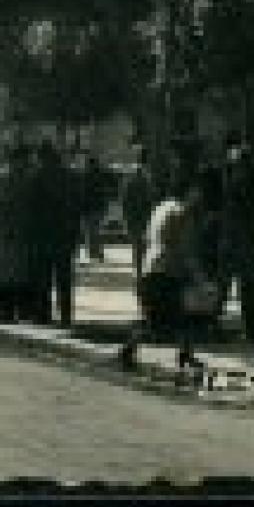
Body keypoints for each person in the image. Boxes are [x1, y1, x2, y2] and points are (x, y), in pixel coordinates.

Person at [118, 169, 209, 372]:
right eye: (197, 190)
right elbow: (183, 249)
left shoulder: (161, 207)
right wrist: (200, 278)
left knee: (177, 316)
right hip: (166, 271)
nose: (200, 195)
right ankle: (129, 349)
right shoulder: (181, 213)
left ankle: (185, 354)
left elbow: (148, 238)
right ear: (190, 191)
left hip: (153, 268)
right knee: (165, 320)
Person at [216, 133, 254, 341]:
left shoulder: (245, 184)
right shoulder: (252, 183)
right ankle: (250, 327)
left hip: (243, 241)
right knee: (241, 287)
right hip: (242, 240)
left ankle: (250, 327)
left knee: (243, 287)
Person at [37, 143, 80, 327]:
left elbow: (33, 208)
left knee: (44, 277)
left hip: (44, 234)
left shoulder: (39, 177)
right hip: (65, 234)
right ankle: (66, 315)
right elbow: (77, 207)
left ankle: (44, 314)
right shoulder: (70, 177)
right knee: (64, 277)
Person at [0, 144, 35, 323]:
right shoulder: (8, 178)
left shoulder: (19, 177)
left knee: (18, 273)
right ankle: (6, 311)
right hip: (10, 233)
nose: (27, 163)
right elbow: (3, 206)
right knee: (10, 273)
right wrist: (7, 227)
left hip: (20, 232)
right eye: (25, 160)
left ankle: (16, 310)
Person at [120, 147, 159, 279]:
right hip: (143, 217)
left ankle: (139, 272)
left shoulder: (133, 176)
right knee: (143, 247)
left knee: (139, 247)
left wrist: (126, 217)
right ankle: (141, 273)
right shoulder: (146, 177)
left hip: (137, 217)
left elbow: (125, 199)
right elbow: (150, 198)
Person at [79, 153, 113, 264]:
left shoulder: (87, 176)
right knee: (96, 230)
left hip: (90, 207)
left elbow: (83, 192)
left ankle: (92, 251)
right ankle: (96, 250)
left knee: (91, 231)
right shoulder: (99, 175)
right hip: (97, 207)